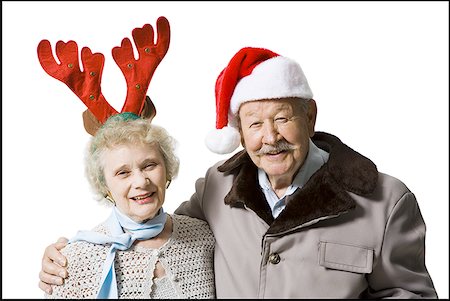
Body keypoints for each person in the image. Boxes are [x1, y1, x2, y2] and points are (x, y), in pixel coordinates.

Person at [39, 47, 437, 298]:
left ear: (310, 116)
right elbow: (157, 229)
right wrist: (68, 256)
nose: (271, 138)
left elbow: (410, 293)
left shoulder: (385, 202)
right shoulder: (219, 186)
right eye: (255, 124)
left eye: (283, 118)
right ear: (239, 132)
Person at [45, 114, 215, 298]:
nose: (141, 181)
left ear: (167, 169)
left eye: (149, 165)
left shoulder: (205, 236)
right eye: (123, 172)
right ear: (104, 185)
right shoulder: (74, 260)